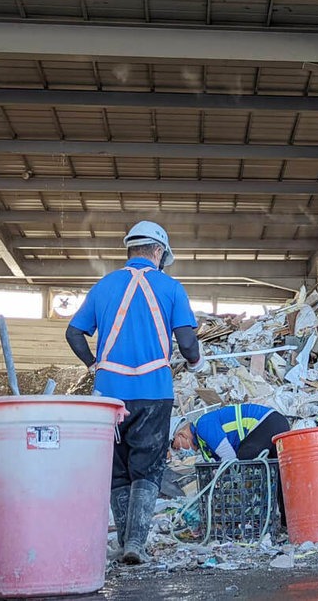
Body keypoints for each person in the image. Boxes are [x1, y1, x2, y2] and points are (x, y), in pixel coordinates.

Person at [65, 221, 203, 564]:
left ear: (131, 249)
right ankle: (135, 545)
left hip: (109, 397)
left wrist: (94, 364)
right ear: (158, 251)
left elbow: (73, 333)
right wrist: (197, 364)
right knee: (148, 467)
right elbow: (187, 342)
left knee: (117, 469)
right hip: (154, 392)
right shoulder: (171, 287)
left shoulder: (103, 287)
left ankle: (125, 540)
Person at [170, 403, 290, 461]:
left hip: (265, 423)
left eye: (176, 447)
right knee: (279, 474)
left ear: (181, 434)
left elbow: (229, 457)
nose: (180, 452)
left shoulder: (203, 425)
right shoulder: (204, 445)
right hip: (272, 423)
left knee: (240, 465)